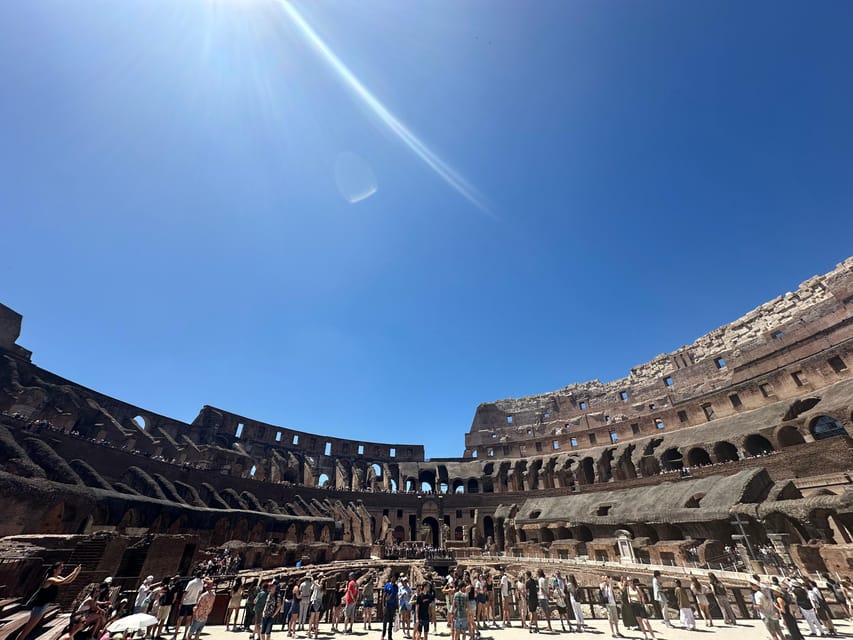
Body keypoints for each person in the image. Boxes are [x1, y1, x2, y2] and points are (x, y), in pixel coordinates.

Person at [18, 562, 82, 640]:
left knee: (30, 628)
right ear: (55, 569)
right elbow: (63, 581)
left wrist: (77, 572)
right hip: (39, 606)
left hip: (44, 605)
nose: (62, 569)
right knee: (27, 630)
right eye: (61, 568)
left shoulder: (57, 577)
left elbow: (68, 581)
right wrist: (74, 571)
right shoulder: (50, 579)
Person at [175, 572, 205, 640]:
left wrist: (181, 602)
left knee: (180, 619)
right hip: (193, 602)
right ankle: (185, 635)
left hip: (186, 602)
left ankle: (175, 635)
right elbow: (200, 593)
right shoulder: (201, 583)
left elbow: (185, 592)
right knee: (188, 620)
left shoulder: (191, 582)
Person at [382, 575, 399, 640]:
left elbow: (397, 596)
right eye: (392, 578)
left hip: (393, 606)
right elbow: (384, 595)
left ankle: (390, 636)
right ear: (391, 578)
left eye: (394, 578)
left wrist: (397, 605)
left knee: (391, 621)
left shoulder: (396, 586)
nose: (393, 579)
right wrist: (383, 605)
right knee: (385, 621)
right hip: (387, 605)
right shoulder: (387, 585)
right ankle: (383, 635)